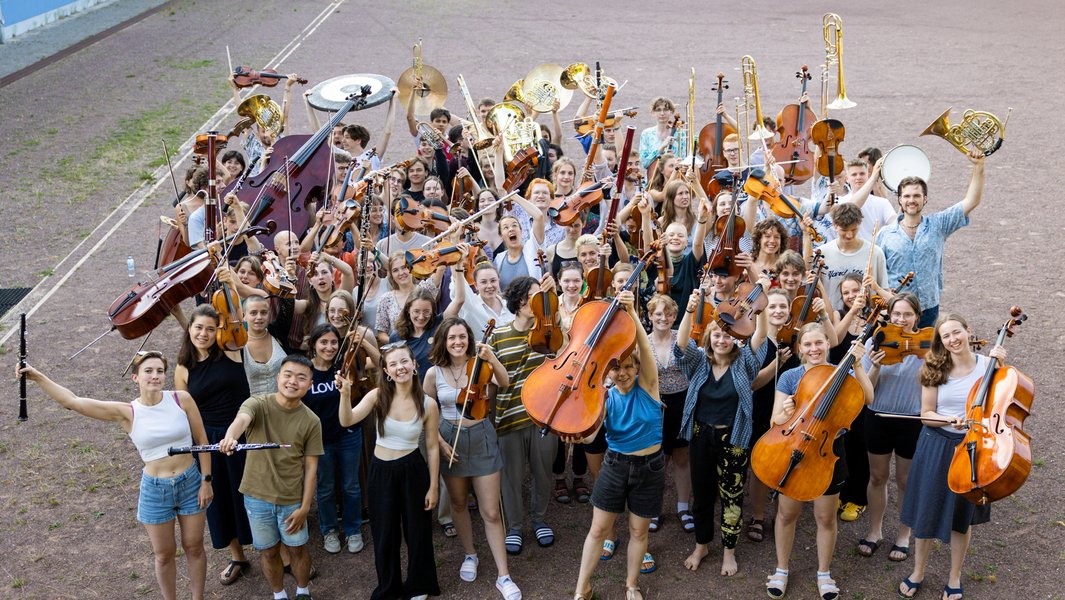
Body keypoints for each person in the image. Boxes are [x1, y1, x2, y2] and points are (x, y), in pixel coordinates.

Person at [18, 353, 212, 600]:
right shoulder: (127, 412)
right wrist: (37, 376)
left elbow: (203, 442)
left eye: (160, 371)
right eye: (148, 371)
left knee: (194, 546)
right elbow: (73, 401)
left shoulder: (181, 399)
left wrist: (206, 481)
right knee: (164, 554)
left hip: (190, 482)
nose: (155, 376)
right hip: (155, 489)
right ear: (135, 377)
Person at [896, 314, 1006, 600]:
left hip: (973, 448)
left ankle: (954, 576)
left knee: (961, 517)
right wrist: (948, 419)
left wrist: (1001, 365)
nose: (953, 340)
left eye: (957, 333)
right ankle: (918, 571)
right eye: (946, 336)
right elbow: (926, 414)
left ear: (968, 332)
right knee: (926, 510)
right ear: (941, 341)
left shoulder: (988, 366)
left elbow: (1002, 400)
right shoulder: (933, 367)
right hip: (937, 445)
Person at [765, 322, 873, 600]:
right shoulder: (790, 377)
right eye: (808, 344)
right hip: (795, 450)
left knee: (825, 518)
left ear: (828, 344)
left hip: (828, 454)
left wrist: (858, 365)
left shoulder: (844, 373)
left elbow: (869, 398)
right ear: (800, 348)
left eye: (819, 343)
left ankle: (824, 572)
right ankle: (781, 569)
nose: (814, 349)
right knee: (787, 514)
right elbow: (774, 421)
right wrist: (786, 412)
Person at [568, 289, 661, 600]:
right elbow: (593, 437)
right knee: (598, 530)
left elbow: (645, 350)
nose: (623, 373)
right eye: (616, 368)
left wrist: (632, 313)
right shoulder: (604, 397)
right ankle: (582, 587)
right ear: (608, 371)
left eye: (628, 368)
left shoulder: (649, 387)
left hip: (650, 466)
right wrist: (578, 437)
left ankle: (631, 586)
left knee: (639, 531)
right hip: (616, 464)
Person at [674, 280, 769, 577]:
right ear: (709, 337)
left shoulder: (745, 364)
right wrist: (690, 312)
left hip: (733, 438)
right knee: (702, 495)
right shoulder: (699, 363)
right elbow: (680, 347)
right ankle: (702, 545)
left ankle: (729, 550)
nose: (720, 339)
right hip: (702, 436)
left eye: (726, 335)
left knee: (731, 496)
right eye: (716, 334)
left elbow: (761, 337)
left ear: (734, 338)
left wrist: (761, 309)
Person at [424, 317, 522, 599]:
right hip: (449, 439)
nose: (458, 342)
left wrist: (492, 357)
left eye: (462, 337)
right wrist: (440, 442)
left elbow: (504, 382)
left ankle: (504, 575)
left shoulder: (480, 366)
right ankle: (470, 554)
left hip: (480, 436)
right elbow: (427, 414)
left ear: (469, 338)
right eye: (452, 337)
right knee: (457, 502)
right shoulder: (434, 373)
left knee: (491, 511)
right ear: (443, 341)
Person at [339, 343, 442, 600]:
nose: (400, 368)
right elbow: (347, 420)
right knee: (385, 533)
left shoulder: (428, 404)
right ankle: (388, 587)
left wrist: (433, 486)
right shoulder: (377, 396)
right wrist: (344, 394)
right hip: (381, 472)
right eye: (393, 364)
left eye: (404, 362)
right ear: (386, 371)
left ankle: (420, 584)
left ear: (415, 365)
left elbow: (431, 447)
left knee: (417, 531)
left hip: (413, 470)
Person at [220, 355, 324, 600]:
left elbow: (311, 469)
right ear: (278, 378)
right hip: (257, 498)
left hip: (292, 500)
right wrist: (231, 437)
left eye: (301, 377)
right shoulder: (257, 403)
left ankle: (302, 592)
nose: (292, 381)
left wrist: (305, 507)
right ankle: (279, 595)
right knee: (268, 552)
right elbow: (241, 420)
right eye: (287, 375)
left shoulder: (311, 421)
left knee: (298, 549)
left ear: (309, 384)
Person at [174, 305, 254, 586]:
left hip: (243, 432)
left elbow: (236, 318)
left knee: (255, 494)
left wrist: (229, 282)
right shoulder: (183, 368)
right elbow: (184, 412)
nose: (204, 334)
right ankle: (238, 556)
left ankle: (278, 553)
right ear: (189, 329)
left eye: (211, 328)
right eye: (198, 328)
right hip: (209, 442)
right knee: (220, 500)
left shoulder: (231, 348)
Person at [491, 274, 562, 555]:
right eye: (536, 297)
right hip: (509, 417)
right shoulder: (498, 335)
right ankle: (516, 526)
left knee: (543, 472)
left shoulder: (549, 333)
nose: (542, 301)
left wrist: (553, 300)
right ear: (521, 303)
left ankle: (540, 519)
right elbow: (493, 384)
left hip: (543, 416)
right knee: (511, 476)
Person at [875, 151, 986, 327]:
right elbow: (876, 273)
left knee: (927, 353)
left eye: (917, 196)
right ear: (900, 200)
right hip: (897, 312)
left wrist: (978, 167)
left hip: (929, 308)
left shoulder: (938, 225)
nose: (912, 200)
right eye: (907, 196)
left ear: (925, 199)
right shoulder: (884, 234)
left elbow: (972, 200)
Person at [857, 292, 925, 563]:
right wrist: (873, 367)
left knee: (906, 481)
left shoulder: (926, 345)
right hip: (879, 416)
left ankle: (904, 535)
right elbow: (866, 391)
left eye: (907, 314)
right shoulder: (877, 341)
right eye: (897, 314)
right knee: (877, 477)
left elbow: (937, 383)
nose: (901, 319)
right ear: (889, 315)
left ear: (916, 317)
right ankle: (875, 531)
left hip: (912, 420)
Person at [303, 324, 365, 555]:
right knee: (325, 487)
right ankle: (329, 529)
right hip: (320, 440)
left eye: (334, 342)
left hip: (348, 435)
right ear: (314, 345)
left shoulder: (344, 366)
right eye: (324, 342)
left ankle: (353, 529)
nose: (329, 347)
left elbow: (377, 362)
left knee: (351, 485)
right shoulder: (306, 371)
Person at [644, 294, 692, 534]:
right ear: (651, 315)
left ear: (675, 316)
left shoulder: (680, 339)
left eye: (668, 314)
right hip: (655, 404)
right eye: (658, 314)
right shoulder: (644, 341)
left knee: (682, 458)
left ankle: (683, 507)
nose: (663, 318)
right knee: (658, 460)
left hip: (681, 402)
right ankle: (654, 509)